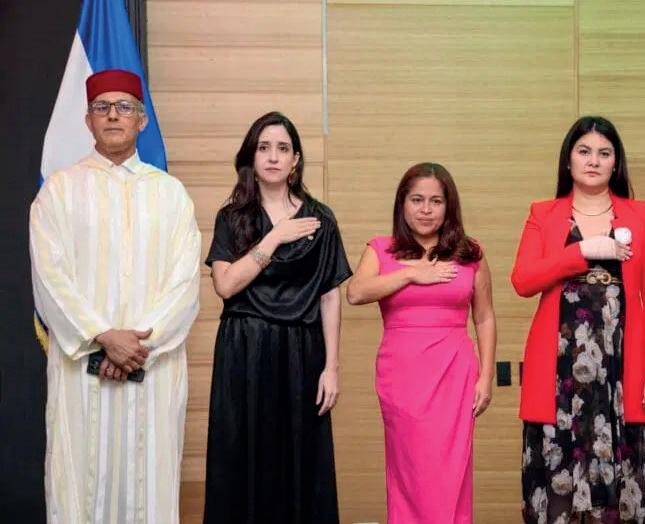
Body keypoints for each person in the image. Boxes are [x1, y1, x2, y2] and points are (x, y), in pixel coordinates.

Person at [29, 69, 201, 523]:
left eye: (124, 107)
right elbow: (50, 277)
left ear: (141, 121)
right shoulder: (59, 192)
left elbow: (184, 283)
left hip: (152, 369)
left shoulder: (171, 195)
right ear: (87, 120)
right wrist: (103, 336)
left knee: (149, 485)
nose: (112, 116)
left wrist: (136, 347)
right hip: (82, 370)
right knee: (79, 487)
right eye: (101, 107)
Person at [513, 116, 645, 524]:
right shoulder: (543, 213)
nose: (593, 161)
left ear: (616, 163)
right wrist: (581, 251)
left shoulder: (638, 214)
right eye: (584, 151)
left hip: (621, 369)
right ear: (568, 160)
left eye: (604, 153)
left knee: (623, 492)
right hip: (559, 371)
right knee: (557, 490)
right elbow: (523, 280)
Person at [203, 111, 351, 524]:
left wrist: (331, 367)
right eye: (264, 147)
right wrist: (275, 236)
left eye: (283, 148)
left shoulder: (321, 219)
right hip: (244, 350)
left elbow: (329, 295)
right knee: (242, 457)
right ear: (251, 157)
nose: (273, 157)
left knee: (300, 460)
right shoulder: (232, 217)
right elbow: (226, 285)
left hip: (302, 351)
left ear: (295, 160)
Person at [347, 162, 497, 524]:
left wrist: (486, 376)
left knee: (452, 471)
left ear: (449, 206)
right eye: (417, 200)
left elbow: (484, 317)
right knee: (410, 470)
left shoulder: (470, 253)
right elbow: (355, 292)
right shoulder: (381, 249)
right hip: (402, 375)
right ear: (402, 203)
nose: (426, 210)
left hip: (454, 373)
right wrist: (413, 273)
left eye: (435, 201)